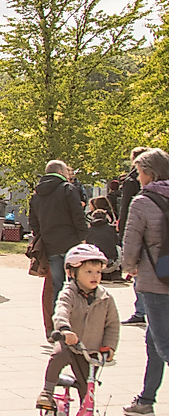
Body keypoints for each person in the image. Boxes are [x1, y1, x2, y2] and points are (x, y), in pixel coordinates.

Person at [36, 244, 119, 411]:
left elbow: (112, 325)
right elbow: (61, 311)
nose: (94, 276)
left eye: (98, 272)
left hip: (90, 350)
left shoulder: (106, 298)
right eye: (88, 272)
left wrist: (109, 347)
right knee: (58, 355)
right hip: (70, 343)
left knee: (86, 388)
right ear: (73, 273)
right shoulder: (69, 293)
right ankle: (47, 391)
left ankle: (86, 410)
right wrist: (65, 330)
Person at [121, 147, 169, 414]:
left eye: (139, 173)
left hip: (155, 280)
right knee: (154, 340)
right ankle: (146, 399)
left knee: (163, 343)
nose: (138, 178)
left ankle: (146, 399)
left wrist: (129, 268)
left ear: (149, 174)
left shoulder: (142, 201)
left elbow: (131, 243)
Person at [29, 159, 88, 311]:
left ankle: (59, 317)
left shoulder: (37, 194)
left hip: (50, 244)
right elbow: (77, 214)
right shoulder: (67, 189)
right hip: (71, 242)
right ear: (60, 172)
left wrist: (41, 235)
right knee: (75, 282)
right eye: (67, 172)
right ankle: (74, 314)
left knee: (57, 284)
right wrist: (83, 236)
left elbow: (33, 222)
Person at [122, 147, 153, 326]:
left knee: (140, 275)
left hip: (138, 231)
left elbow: (126, 207)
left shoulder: (132, 183)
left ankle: (141, 310)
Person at [86, 204, 121, 280]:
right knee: (118, 247)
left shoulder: (88, 231)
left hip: (94, 265)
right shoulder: (112, 229)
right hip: (112, 264)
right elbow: (116, 242)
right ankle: (117, 273)